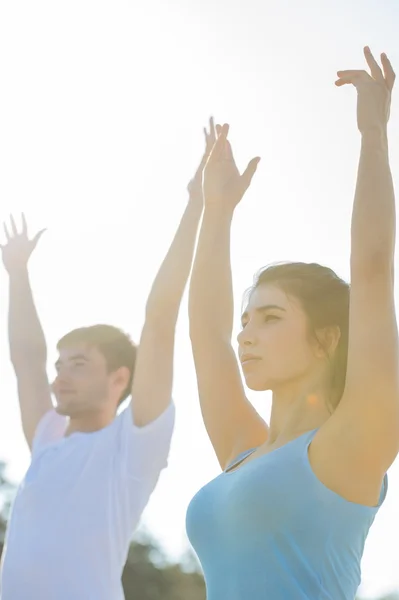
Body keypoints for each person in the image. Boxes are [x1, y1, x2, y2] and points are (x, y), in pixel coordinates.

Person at [186, 48, 398, 600]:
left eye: (271, 318)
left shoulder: (352, 442)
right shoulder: (240, 451)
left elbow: (372, 271)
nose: (245, 335)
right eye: (246, 319)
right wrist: (217, 212)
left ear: (327, 338)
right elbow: (207, 336)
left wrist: (374, 134)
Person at [0, 120, 215, 600]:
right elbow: (25, 360)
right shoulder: (48, 435)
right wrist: (17, 273)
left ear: (120, 378)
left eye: (78, 364)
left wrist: (195, 205)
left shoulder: (132, 447)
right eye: (61, 365)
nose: (60, 376)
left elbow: (159, 323)